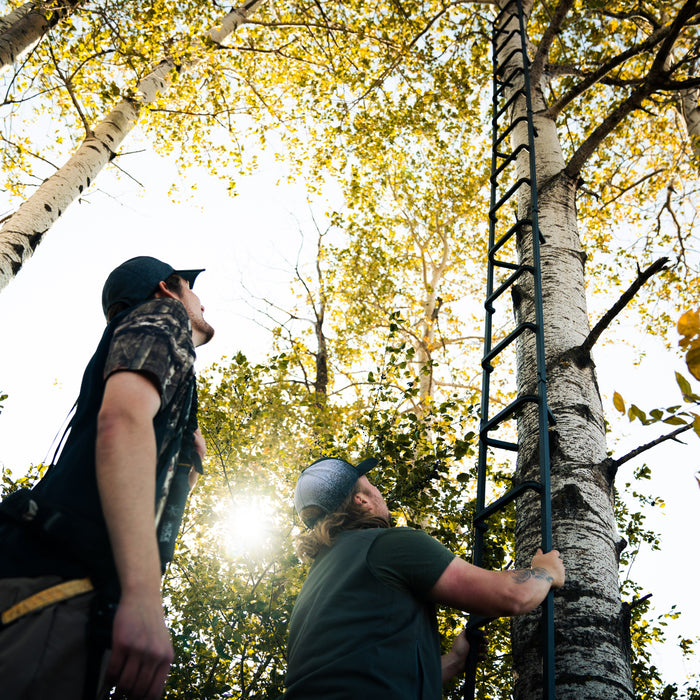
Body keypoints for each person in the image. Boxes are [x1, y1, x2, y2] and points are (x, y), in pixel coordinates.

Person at [0, 255, 215, 700]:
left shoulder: (133, 346)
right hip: (58, 591)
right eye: (190, 288)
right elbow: (120, 423)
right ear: (167, 288)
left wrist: (181, 467)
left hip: (52, 591)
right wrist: (142, 598)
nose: (200, 301)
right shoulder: (163, 314)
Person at [284, 456, 566, 698]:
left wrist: (456, 660)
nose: (379, 491)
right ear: (361, 500)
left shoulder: (314, 586)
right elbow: (510, 596)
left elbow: (372, 673)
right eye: (372, 485)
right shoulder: (388, 545)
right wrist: (545, 571)